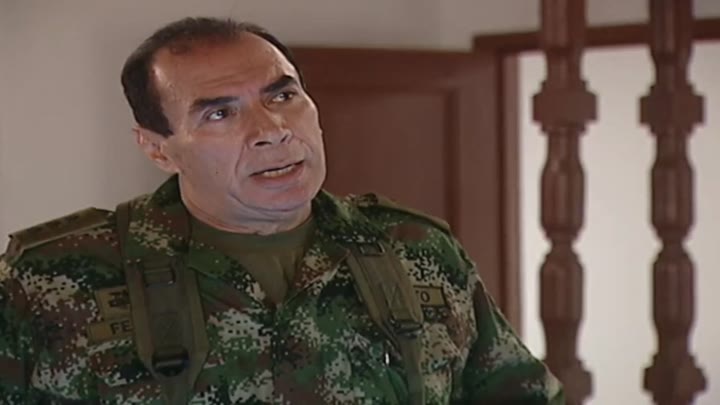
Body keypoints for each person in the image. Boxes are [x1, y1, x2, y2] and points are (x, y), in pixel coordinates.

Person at [0, 17, 564, 404]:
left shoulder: (415, 251)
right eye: (219, 114)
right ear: (157, 148)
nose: (271, 130)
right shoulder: (54, 278)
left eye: (282, 95)